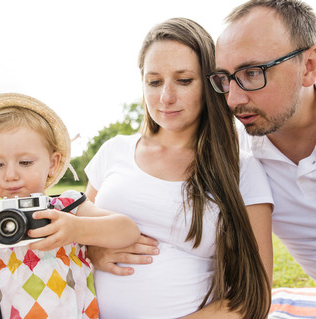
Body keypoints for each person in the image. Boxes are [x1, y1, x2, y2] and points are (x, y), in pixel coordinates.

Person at [85, 18, 274, 319]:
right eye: (155, 81)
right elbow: (79, 233)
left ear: (211, 84)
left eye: (184, 81)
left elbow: (256, 297)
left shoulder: (241, 169)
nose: (166, 98)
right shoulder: (114, 151)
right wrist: (92, 251)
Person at [207, 1, 316, 318]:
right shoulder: (237, 155)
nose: (233, 98)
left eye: (252, 72)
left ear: (309, 66)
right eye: (225, 78)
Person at [0, 93, 140, 319]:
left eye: (25, 162)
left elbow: (127, 230)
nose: (11, 175)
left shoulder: (66, 207)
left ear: (53, 164)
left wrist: (76, 228)